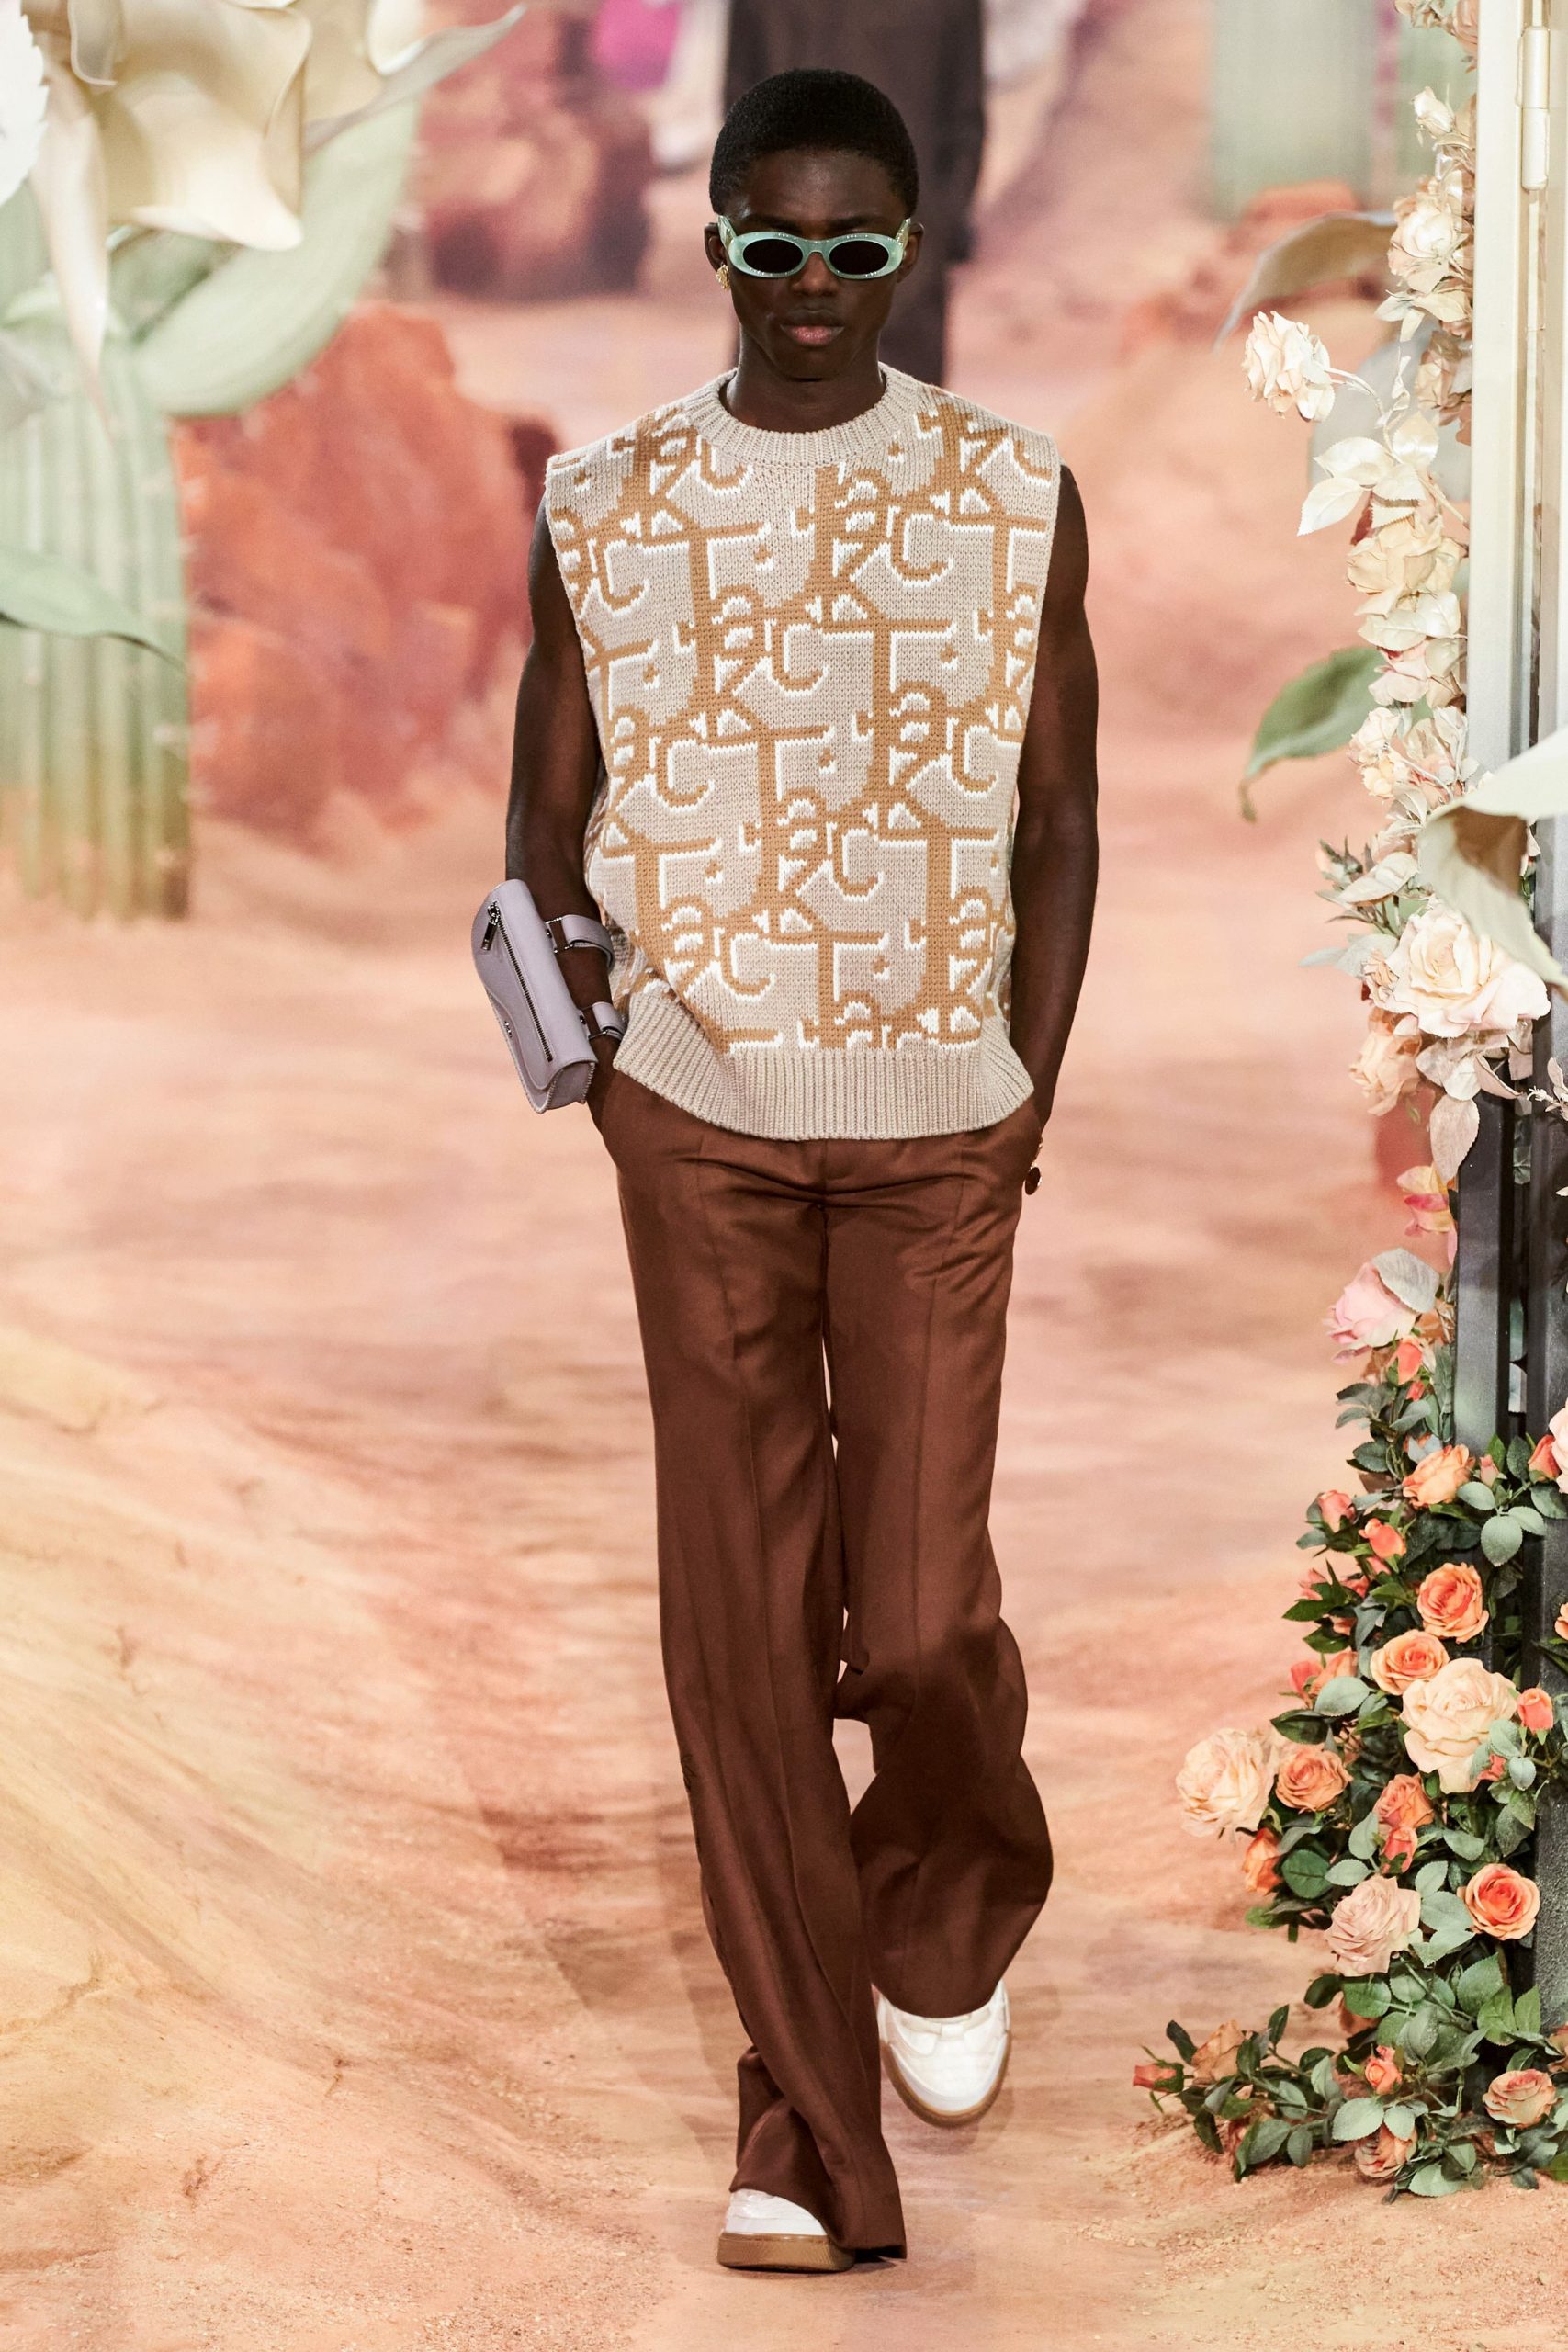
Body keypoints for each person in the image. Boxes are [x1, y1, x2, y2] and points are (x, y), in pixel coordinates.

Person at [505, 66, 1099, 2273]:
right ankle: (799, 2121)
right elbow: (538, 819)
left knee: (916, 1611)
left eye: (858, 249)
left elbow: (1057, 818)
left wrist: (1023, 1093)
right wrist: (601, 1072)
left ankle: (945, 1882)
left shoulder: (1010, 492)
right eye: (778, 247)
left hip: (939, 1119)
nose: (818, 285)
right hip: (697, 1119)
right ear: (719, 251)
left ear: (909, 252)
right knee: (747, 1628)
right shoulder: (605, 501)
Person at [722, 0, 985, 383]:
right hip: (785, 266)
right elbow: (739, 107)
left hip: (900, 270)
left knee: (902, 412)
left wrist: (933, 236)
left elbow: (963, 125)